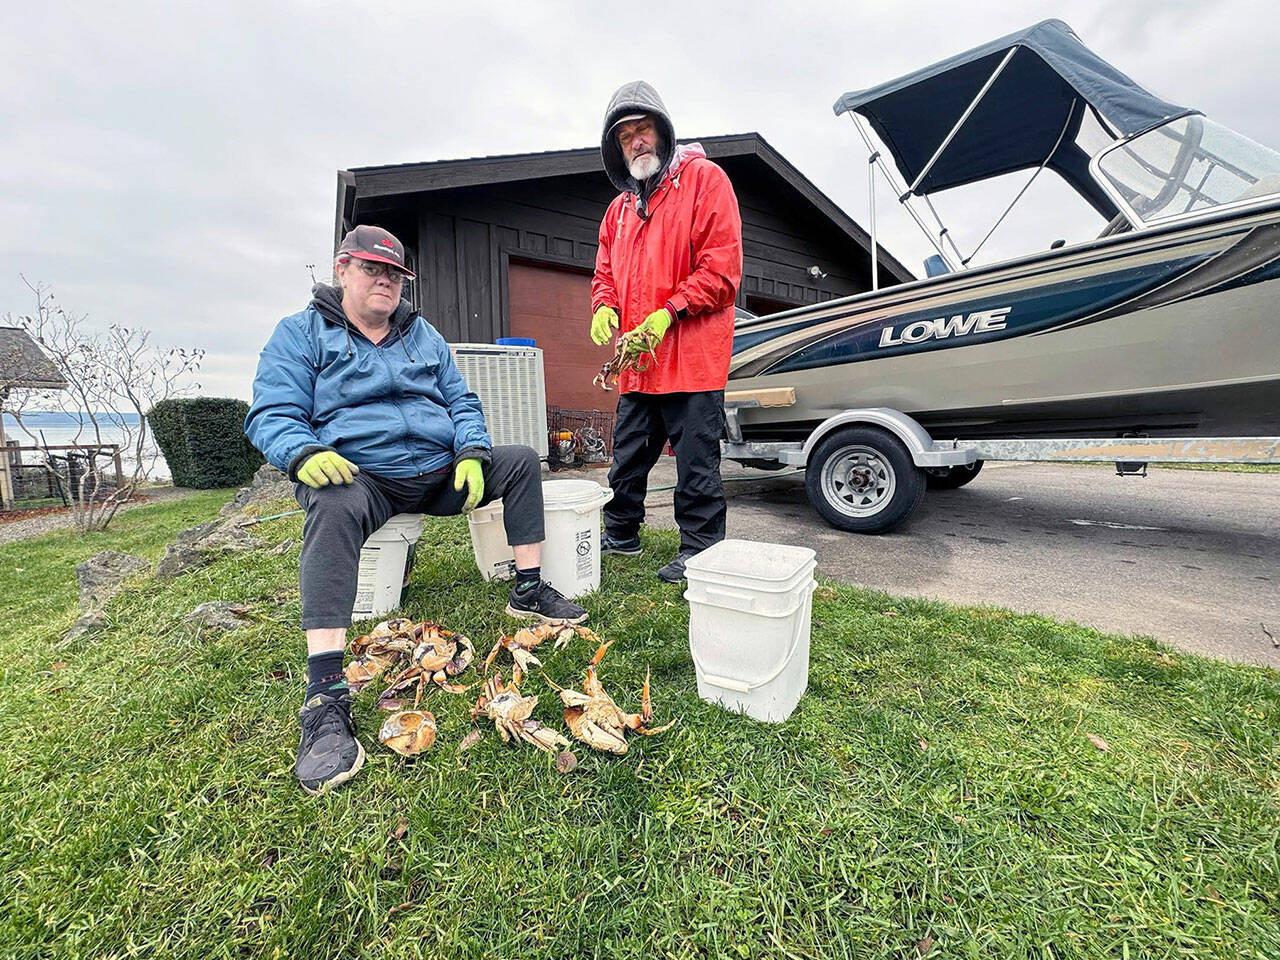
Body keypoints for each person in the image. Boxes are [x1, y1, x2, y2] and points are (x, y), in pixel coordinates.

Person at [246, 224, 586, 795]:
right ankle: (325, 694)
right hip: (362, 476)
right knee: (330, 505)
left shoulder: (422, 334)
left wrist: (474, 452)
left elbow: (460, 399)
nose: (385, 281)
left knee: (523, 459)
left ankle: (527, 588)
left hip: (437, 472)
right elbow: (271, 412)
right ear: (342, 270)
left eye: (395, 274)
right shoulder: (300, 333)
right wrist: (301, 451)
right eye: (372, 269)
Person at [590, 81, 744, 583]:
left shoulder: (706, 180)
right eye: (625, 136)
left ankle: (700, 550)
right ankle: (622, 534)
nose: (636, 142)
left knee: (696, 464)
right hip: (638, 363)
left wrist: (668, 312)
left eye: (643, 129)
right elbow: (605, 275)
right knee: (627, 459)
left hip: (693, 358)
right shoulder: (618, 211)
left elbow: (722, 272)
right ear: (616, 148)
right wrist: (604, 306)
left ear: (663, 130)